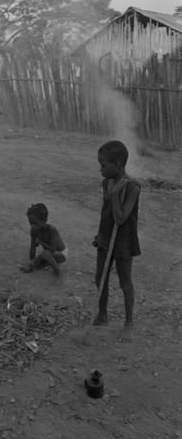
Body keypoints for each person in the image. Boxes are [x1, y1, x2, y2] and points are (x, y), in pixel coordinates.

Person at [93, 141, 141, 342]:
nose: (101, 169)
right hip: (105, 235)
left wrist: (116, 194)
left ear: (118, 164)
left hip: (124, 238)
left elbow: (121, 218)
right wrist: (99, 234)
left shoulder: (133, 187)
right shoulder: (107, 182)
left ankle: (128, 323)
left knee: (124, 281)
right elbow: (107, 213)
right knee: (100, 277)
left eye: (104, 165)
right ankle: (103, 314)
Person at [20, 203, 68, 277]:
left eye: (35, 223)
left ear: (44, 221)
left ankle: (59, 274)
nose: (32, 226)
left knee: (45, 254)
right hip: (49, 254)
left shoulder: (52, 230)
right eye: (30, 223)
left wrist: (40, 242)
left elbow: (53, 249)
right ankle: (34, 266)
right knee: (37, 261)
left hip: (61, 254)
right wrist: (32, 261)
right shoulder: (33, 231)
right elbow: (32, 248)